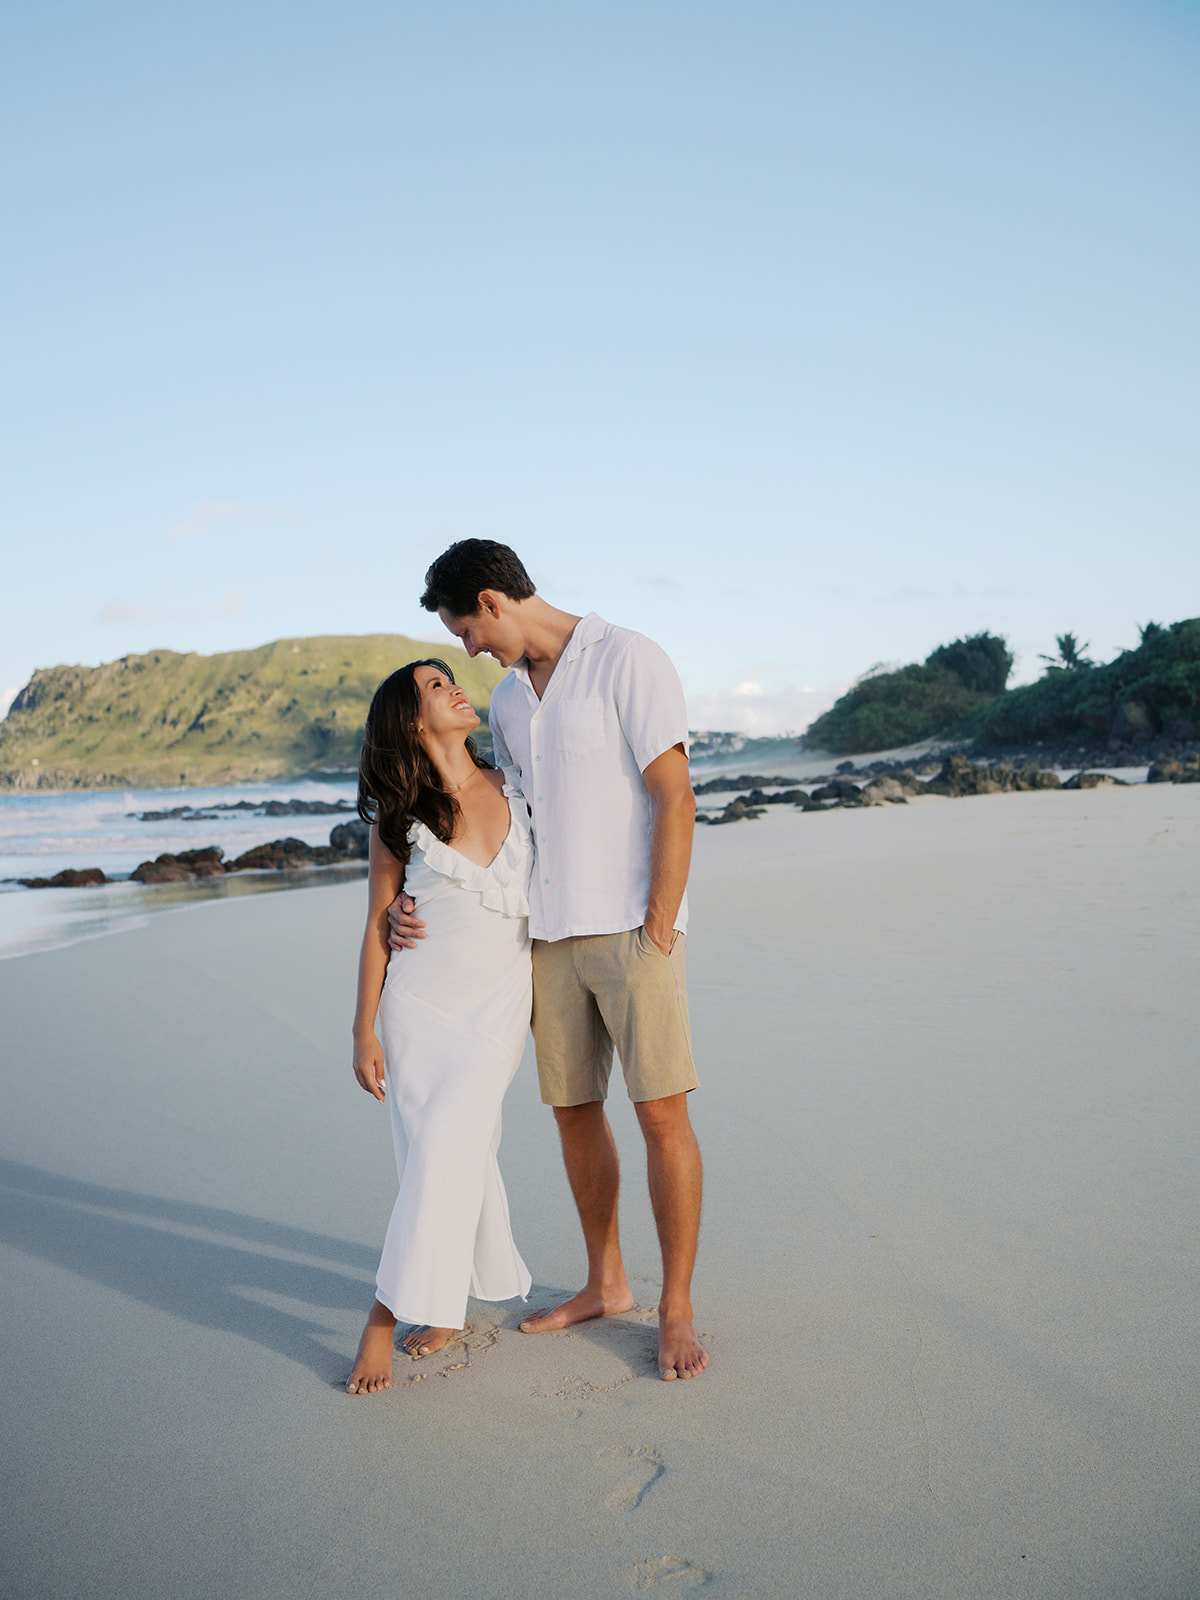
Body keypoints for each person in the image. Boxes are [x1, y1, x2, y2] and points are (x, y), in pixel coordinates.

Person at [389, 540, 707, 1381]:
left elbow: (675, 795)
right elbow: (489, 819)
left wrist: (660, 926)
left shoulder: (628, 659)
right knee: (574, 1113)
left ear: (492, 602)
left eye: (465, 629)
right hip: (545, 940)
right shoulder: (503, 703)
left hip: (635, 933)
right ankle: (606, 1283)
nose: (467, 650)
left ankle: (673, 1309)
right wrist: (402, 909)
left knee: (661, 1116)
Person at [345, 657, 533, 1395]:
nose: (456, 687)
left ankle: (382, 1318)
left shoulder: (518, 785)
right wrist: (364, 1030)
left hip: (498, 1008)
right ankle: (441, 1302)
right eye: (434, 686)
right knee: (454, 1152)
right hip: (421, 1009)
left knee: (450, 1145)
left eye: (449, 675)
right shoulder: (399, 820)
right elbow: (373, 929)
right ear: (410, 721)